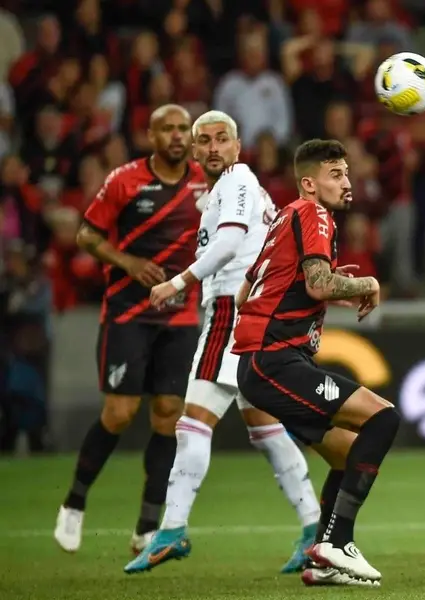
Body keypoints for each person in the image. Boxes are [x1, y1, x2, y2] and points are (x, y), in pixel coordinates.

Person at [124, 111, 320, 575]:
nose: (213, 148)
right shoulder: (233, 189)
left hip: (233, 314)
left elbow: (231, 241)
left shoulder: (236, 181)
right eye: (204, 141)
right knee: (265, 428)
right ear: (194, 151)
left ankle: (171, 530)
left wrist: (177, 283)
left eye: (222, 139)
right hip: (256, 314)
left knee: (192, 423)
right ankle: (315, 528)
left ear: (237, 146)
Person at [232, 139, 396, 587]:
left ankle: (322, 562)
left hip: (264, 363)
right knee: (383, 419)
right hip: (277, 360)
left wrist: (334, 291)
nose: (347, 182)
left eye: (346, 172)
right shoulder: (312, 213)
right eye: (336, 174)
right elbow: (319, 285)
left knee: (346, 456)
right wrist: (367, 282)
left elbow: (248, 294)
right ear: (309, 183)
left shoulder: (284, 217)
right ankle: (337, 542)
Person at [55, 104, 207, 554]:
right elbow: (85, 235)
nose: (177, 136)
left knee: (167, 414)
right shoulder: (124, 179)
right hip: (127, 314)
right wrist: (128, 262)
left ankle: (146, 525)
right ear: (151, 135)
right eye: (168, 129)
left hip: (180, 317)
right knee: (119, 414)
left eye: (184, 129)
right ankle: (74, 502)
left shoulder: (206, 181)